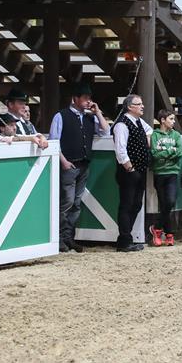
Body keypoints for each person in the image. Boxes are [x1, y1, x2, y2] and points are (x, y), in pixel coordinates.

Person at [48, 82, 110, 253]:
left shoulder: (90, 117)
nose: (87, 101)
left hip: (83, 164)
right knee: (67, 202)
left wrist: (97, 112)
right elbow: (54, 141)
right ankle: (59, 238)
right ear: (75, 99)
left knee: (76, 203)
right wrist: (63, 161)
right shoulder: (61, 116)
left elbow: (106, 131)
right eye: (84, 98)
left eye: (89, 98)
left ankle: (68, 237)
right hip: (69, 164)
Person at [111, 95, 152, 251]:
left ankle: (126, 237)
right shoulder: (121, 124)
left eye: (142, 103)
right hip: (129, 171)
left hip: (140, 170)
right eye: (138, 104)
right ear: (129, 107)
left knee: (136, 204)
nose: (142, 106)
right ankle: (124, 240)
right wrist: (130, 168)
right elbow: (120, 150)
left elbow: (150, 131)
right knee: (127, 205)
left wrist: (147, 139)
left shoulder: (139, 122)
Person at [148, 109, 182, 247]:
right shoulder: (155, 135)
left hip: (172, 172)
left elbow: (179, 152)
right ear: (163, 120)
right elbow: (155, 154)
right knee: (164, 205)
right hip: (159, 173)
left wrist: (165, 152)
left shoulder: (176, 135)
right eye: (171, 119)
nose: (173, 122)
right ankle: (169, 233)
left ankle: (156, 228)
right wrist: (171, 151)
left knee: (170, 201)